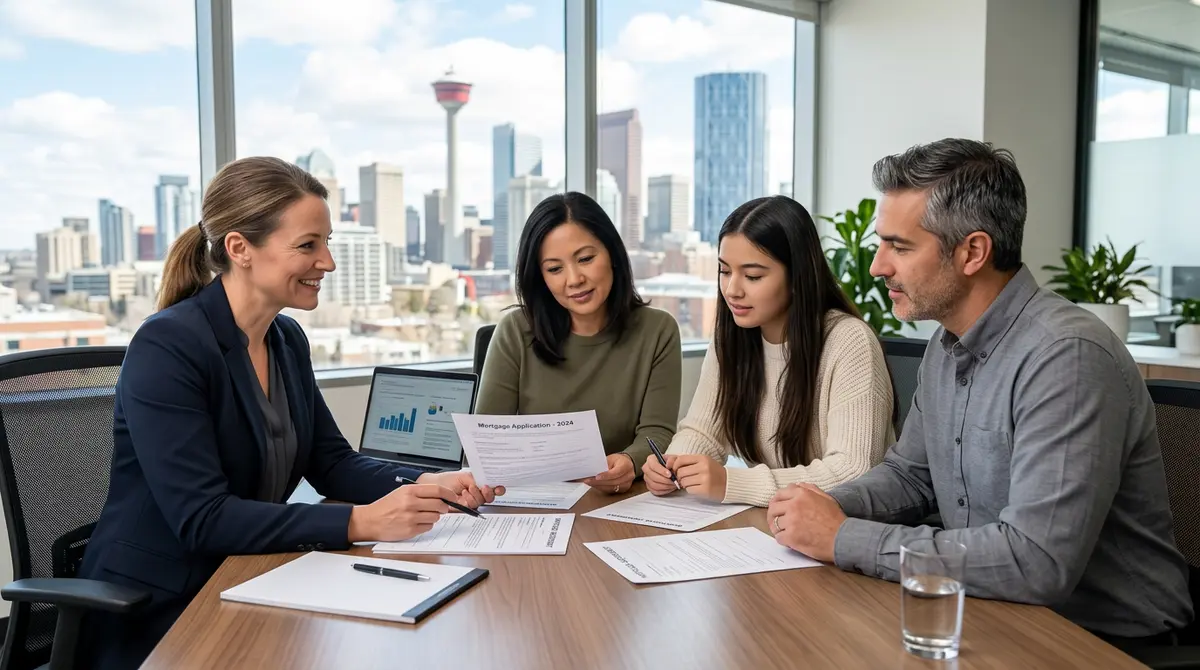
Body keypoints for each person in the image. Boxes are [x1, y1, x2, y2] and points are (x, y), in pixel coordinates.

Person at [77, 157, 503, 670]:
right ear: (240, 249)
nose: (328, 262)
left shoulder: (284, 338)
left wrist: (431, 480)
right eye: (308, 245)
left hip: (251, 575)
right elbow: (203, 518)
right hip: (162, 609)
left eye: (327, 243)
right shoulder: (167, 347)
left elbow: (333, 463)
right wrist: (360, 520)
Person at [766, 138, 1193, 644]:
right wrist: (815, 508)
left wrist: (842, 536)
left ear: (972, 252)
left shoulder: (1067, 355)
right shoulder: (946, 345)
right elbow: (910, 477)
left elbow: (1037, 562)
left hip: (1101, 641)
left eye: (899, 247)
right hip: (989, 610)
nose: (879, 266)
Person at [642, 196, 894, 507]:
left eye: (753, 276)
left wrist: (730, 482)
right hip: (775, 524)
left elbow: (852, 472)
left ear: (797, 277)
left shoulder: (849, 342)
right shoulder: (732, 336)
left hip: (844, 529)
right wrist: (673, 464)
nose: (733, 289)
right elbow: (704, 432)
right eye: (724, 271)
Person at [475, 192, 681, 494]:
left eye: (585, 259)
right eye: (555, 269)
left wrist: (629, 461)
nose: (574, 279)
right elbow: (488, 444)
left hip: (619, 500)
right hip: (533, 500)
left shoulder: (658, 330)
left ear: (612, 254)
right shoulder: (515, 331)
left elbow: (656, 432)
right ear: (540, 277)